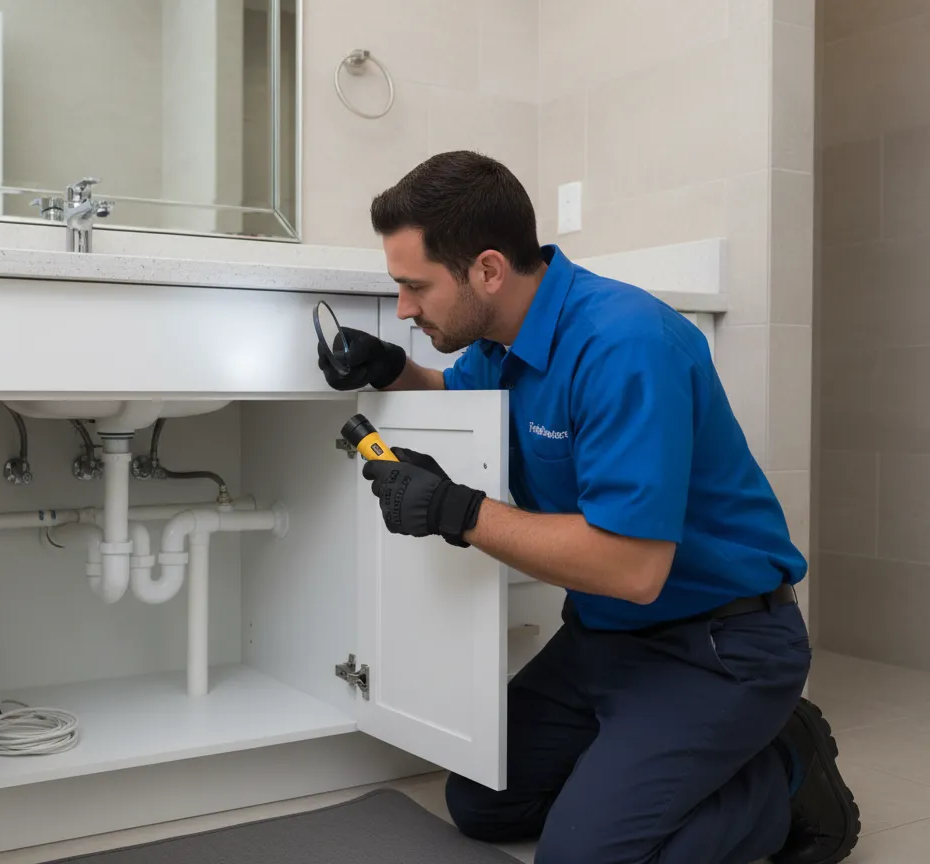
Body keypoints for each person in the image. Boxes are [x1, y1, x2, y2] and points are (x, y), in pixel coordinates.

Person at [317, 151, 860, 864]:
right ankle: (648, 764)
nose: (405, 308)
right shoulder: (501, 340)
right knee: (481, 802)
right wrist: (394, 369)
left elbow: (633, 568)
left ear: (486, 269)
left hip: (717, 647)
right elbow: (463, 401)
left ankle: (783, 776)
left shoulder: (624, 343)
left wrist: (459, 510)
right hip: (604, 638)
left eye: (414, 287)